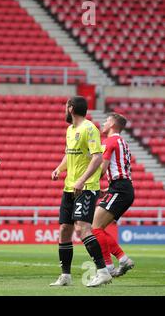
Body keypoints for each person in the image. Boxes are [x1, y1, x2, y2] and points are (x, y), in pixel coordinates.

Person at [50, 96, 112, 287]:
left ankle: (103, 271)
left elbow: (97, 158)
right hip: (70, 187)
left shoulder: (89, 128)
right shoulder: (70, 130)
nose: (64, 110)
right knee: (64, 230)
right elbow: (69, 155)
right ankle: (66, 276)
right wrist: (59, 169)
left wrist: (82, 180)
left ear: (71, 108)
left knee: (82, 228)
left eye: (65, 107)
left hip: (85, 187)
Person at [92, 113, 135, 277]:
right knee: (98, 227)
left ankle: (110, 266)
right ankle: (120, 260)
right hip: (121, 188)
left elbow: (103, 168)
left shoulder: (109, 141)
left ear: (112, 125)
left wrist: (89, 183)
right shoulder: (122, 142)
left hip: (120, 188)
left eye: (106, 121)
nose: (103, 123)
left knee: (95, 227)